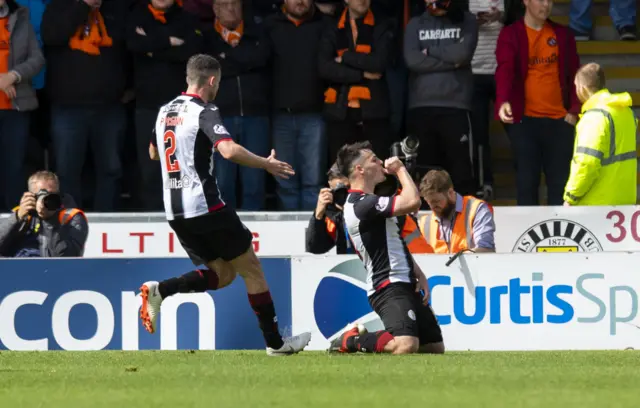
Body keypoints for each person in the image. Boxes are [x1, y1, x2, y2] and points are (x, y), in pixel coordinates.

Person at [140, 54, 311, 356]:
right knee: (252, 270)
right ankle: (276, 344)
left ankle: (160, 290)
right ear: (211, 80)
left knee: (223, 275)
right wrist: (266, 164)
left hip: (175, 212)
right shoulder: (205, 110)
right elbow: (229, 151)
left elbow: (154, 154)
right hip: (205, 207)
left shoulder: (164, 111)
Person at [328, 141, 444, 355]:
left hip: (405, 281)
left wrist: (418, 272)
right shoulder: (360, 204)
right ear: (359, 170)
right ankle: (351, 340)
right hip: (387, 285)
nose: (380, 162)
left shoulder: (370, 201)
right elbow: (413, 202)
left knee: (434, 348)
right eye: (373, 159)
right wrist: (400, 169)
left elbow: (393, 242)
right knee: (405, 345)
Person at [495, 0, 580, 206]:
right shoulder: (511, 34)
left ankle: (560, 238)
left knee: (560, 186)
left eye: (550, 1)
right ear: (525, 1)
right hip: (525, 121)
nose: (546, 5)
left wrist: (575, 110)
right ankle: (528, 238)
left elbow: (575, 74)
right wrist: (503, 100)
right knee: (526, 183)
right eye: (541, 0)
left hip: (560, 120)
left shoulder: (563, 34)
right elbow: (505, 69)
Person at [127, 0, 204, 211]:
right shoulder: (136, 14)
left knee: (184, 165)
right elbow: (133, 44)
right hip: (147, 106)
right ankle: (152, 215)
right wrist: (170, 41)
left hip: (181, 108)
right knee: (149, 167)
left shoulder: (186, 18)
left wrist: (152, 47)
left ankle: (185, 214)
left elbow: (191, 53)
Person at [403, 0, 479, 196]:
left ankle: (466, 223)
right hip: (421, 106)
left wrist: (429, 52)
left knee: (461, 173)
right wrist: (452, 62)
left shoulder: (467, 21)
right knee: (427, 175)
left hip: (456, 105)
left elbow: (463, 54)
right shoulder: (414, 24)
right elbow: (412, 60)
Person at [204, 0, 271, 210]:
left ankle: (255, 234)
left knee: (254, 181)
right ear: (215, 9)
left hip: (255, 115)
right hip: (220, 118)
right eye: (225, 4)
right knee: (223, 182)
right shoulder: (206, 37)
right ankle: (226, 230)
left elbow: (263, 59)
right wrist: (246, 61)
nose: (231, 9)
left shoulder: (257, 33)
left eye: (235, 4)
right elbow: (209, 70)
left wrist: (227, 59)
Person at [318, 0, 395, 162]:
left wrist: (345, 57)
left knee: (378, 170)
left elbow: (379, 63)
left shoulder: (382, 24)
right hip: (340, 112)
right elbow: (325, 68)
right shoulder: (332, 27)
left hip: (373, 112)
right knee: (341, 173)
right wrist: (362, 74)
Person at [306, 162, 433, 254]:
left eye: (349, 188)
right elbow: (315, 248)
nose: (346, 196)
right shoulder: (335, 214)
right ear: (329, 187)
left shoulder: (385, 204)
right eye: (339, 191)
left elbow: (422, 256)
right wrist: (318, 214)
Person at [563, 63, 638, 206]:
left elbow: (587, 163)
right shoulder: (626, 112)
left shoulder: (594, 117)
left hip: (597, 204)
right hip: (625, 200)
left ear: (583, 88)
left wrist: (571, 197)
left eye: (576, 86)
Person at [0, 0, 45, 211]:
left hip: (15, 107)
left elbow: (37, 59)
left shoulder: (21, 17)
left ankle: (13, 223)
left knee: (14, 168)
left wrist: (13, 75)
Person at [0, 171, 88, 258]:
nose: (47, 199)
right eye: (41, 195)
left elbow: (67, 258)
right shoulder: (22, 214)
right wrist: (17, 217)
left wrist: (50, 220)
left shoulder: (71, 217)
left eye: (52, 195)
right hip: (17, 267)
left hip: (51, 270)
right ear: (31, 196)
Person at [418, 169, 495, 254]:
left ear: (450, 193)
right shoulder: (425, 223)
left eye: (436, 201)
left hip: (472, 266)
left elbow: (485, 250)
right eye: (429, 202)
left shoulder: (476, 209)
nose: (433, 207)